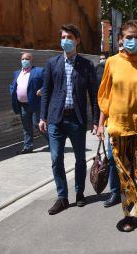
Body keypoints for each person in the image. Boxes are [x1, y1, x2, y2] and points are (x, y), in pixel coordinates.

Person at [96, 20, 137, 233]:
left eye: (136, 36)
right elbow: (105, 96)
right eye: (129, 37)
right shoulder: (112, 62)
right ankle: (131, 216)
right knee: (125, 175)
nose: (133, 40)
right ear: (121, 40)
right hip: (119, 126)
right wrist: (100, 124)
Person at [39, 24, 99, 215]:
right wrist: (42, 117)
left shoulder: (87, 65)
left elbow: (94, 95)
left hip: (77, 119)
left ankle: (79, 192)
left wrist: (96, 120)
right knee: (56, 158)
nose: (65, 40)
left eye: (69, 37)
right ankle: (62, 197)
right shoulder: (52, 63)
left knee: (80, 158)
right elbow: (46, 92)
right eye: (63, 37)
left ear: (77, 40)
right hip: (55, 119)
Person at [95, 53, 121, 207]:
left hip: (130, 127)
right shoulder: (109, 85)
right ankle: (115, 192)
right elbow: (103, 106)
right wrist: (100, 125)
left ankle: (130, 192)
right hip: (112, 126)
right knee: (111, 159)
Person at [9, 52, 47, 154]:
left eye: (27, 59)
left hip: (35, 104)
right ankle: (28, 147)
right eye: (22, 59)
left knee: (38, 125)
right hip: (22, 105)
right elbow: (13, 84)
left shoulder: (38, 71)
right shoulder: (17, 73)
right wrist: (12, 91)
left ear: (31, 60)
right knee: (26, 126)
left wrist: (43, 90)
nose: (24, 61)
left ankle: (54, 143)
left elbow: (48, 82)